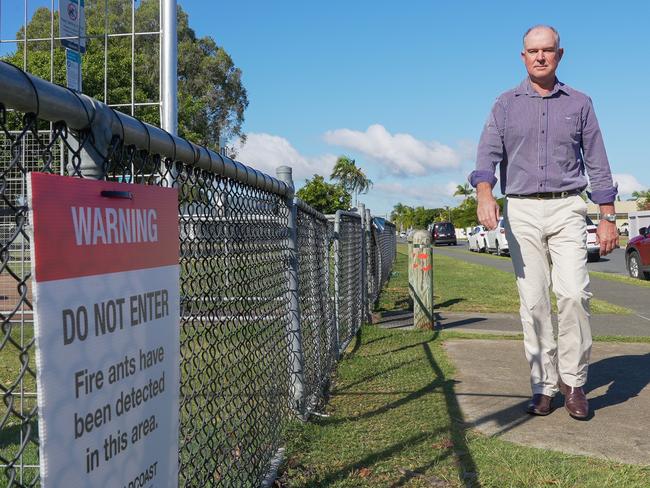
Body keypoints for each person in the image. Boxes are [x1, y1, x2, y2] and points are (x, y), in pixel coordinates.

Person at [469, 25, 618, 420]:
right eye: (532, 51)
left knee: (573, 294)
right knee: (534, 301)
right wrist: (485, 193)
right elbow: (487, 157)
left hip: (568, 206)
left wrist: (607, 217)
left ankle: (574, 382)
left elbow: (598, 164)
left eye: (547, 50)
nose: (539, 57)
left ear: (560, 54)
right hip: (521, 209)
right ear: (523, 57)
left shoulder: (581, 103)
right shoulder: (504, 104)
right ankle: (543, 386)